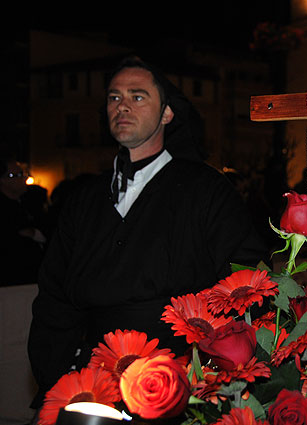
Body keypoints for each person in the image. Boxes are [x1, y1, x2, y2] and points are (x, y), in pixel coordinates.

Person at [28, 57, 269, 408]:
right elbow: (54, 298)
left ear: (167, 114)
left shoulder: (205, 190)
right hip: (94, 384)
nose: (122, 105)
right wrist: (60, 381)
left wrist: (213, 375)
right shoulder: (84, 198)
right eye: (114, 97)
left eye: (138, 96)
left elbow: (244, 281)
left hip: (182, 382)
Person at [0, 159, 45, 285]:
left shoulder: (29, 203)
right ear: (2, 180)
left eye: (23, 174)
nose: (23, 179)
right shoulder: (4, 208)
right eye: (17, 175)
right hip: (12, 279)